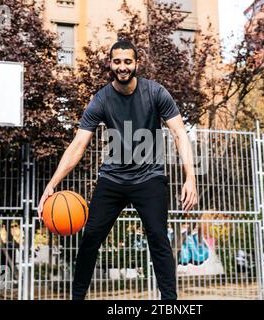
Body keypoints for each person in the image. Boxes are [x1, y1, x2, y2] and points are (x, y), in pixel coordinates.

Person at [37, 40, 198, 300]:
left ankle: (170, 302)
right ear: (110, 64)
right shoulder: (101, 99)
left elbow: (180, 133)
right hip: (112, 178)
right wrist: (52, 183)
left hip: (150, 177)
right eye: (117, 61)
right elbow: (79, 144)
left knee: (158, 238)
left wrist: (190, 177)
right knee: (90, 239)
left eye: (127, 61)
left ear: (136, 63)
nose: (122, 67)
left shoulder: (156, 93)